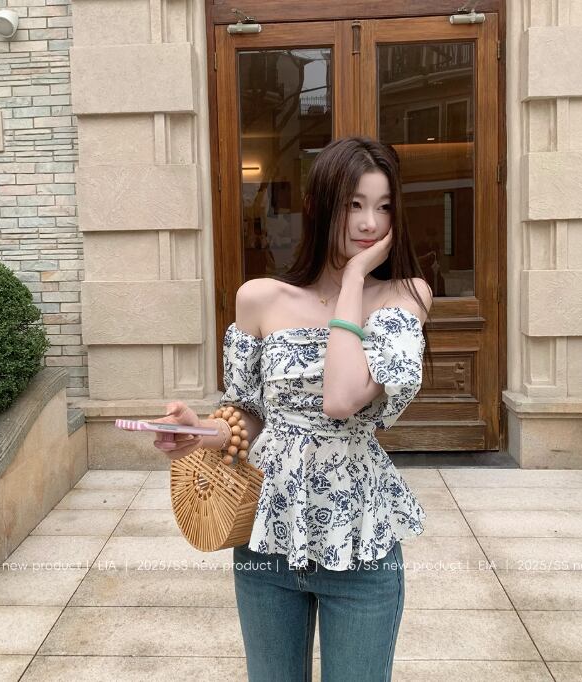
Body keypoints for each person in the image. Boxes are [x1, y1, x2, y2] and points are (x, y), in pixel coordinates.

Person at [152, 136, 433, 682]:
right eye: (353, 204)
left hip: (360, 543)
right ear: (320, 204)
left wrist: (354, 279)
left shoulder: (405, 296)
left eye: (383, 206)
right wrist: (201, 431)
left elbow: (342, 399)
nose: (369, 222)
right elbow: (249, 414)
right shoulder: (260, 298)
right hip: (268, 537)